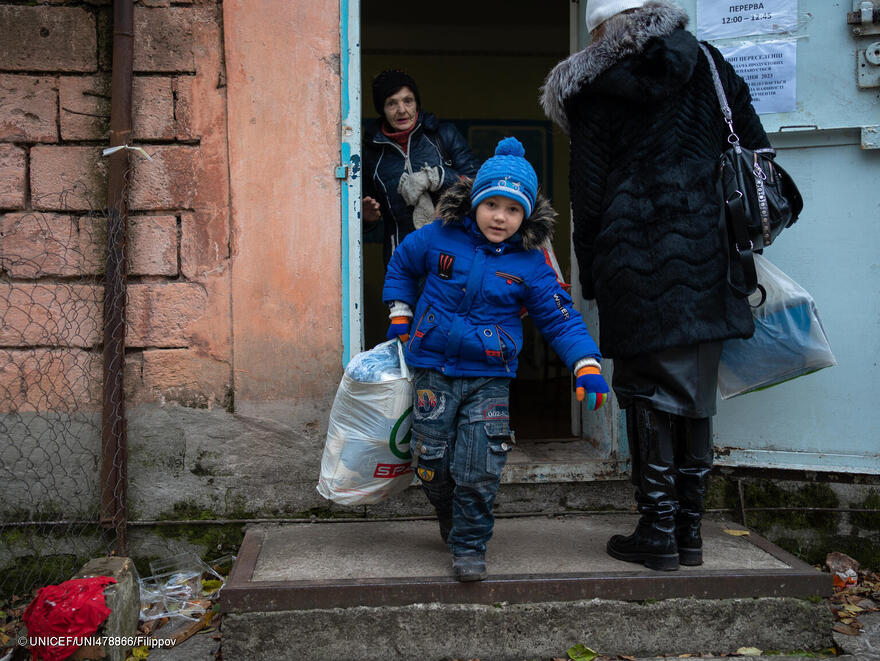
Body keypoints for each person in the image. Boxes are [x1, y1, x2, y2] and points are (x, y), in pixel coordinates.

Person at [540, 0, 771, 571]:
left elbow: (589, 198)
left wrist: (590, 273)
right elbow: (756, 147)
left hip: (634, 257)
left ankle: (658, 531)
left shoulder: (594, 87)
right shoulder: (711, 63)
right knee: (695, 396)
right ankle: (688, 532)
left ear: (600, 27)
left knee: (645, 392)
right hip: (707, 252)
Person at [382, 137, 609, 581]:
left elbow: (561, 320)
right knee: (430, 462)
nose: (500, 217)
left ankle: (469, 543)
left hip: (490, 377)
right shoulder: (438, 235)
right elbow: (402, 265)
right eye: (492, 205)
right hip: (433, 369)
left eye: (512, 209)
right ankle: (450, 515)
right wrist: (400, 312)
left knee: (479, 466)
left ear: (525, 215)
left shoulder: (530, 263)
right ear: (476, 201)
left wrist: (587, 363)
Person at [363, 70, 480, 266]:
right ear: (382, 109)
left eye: (408, 100)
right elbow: (361, 219)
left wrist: (439, 177)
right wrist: (366, 219)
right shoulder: (371, 154)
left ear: (417, 103)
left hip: (453, 252)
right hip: (402, 258)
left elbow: (479, 186)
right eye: (392, 103)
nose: (402, 110)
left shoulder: (444, 136)